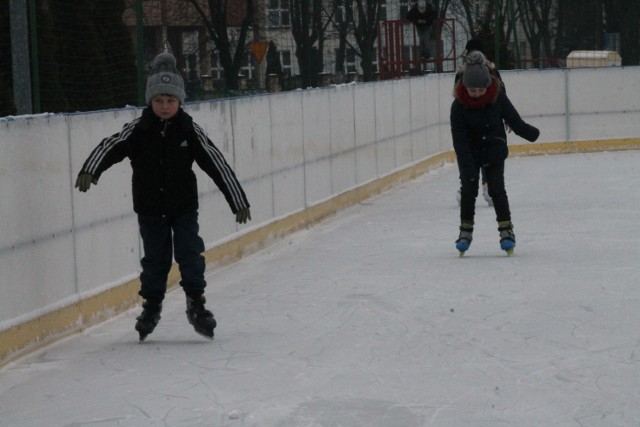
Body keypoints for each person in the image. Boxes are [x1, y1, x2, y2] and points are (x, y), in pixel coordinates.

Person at [75, 50, 251, 341]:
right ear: (150, 101)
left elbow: (216, 163)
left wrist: (238, 200)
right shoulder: (138, 129)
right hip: (150, 208)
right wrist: (91, 170)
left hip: (183, 208)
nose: (165, 106)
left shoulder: (188, 129)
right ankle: (152, 305)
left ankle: (196, 303)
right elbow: (110, 146)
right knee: (156, 260)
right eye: (159, 100)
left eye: (170, 100)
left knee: (190, 253)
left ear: (179, 101)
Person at [450, 51, 539, 256]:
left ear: (488, 85)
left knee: (497, 189)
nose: (477, 93)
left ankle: (506, 231)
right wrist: (467, 167)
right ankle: (465, 231)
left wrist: (529, 133)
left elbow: (514, 120)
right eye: (472, 90)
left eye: (480, 89)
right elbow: (459, 139)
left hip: (494, 148)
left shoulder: (497, 97)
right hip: (470, 151)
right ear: (464, 86)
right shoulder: (458, 106)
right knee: (469, 188)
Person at [454, 39, 506, 207]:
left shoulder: (492, 71)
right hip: (469, 123)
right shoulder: (462, 73)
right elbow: (457, 95)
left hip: (489, 123)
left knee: (489, 153)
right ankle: (467, 186)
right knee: (467, 154)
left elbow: (501, 94)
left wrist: (505, 117)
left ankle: (488, 183)